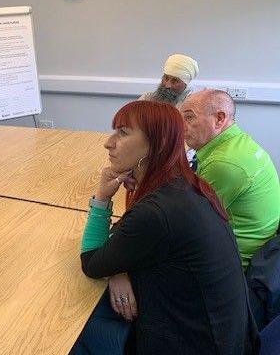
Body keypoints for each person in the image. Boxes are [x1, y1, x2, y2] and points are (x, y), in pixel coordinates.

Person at [72, 101, 257, 354]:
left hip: (194, 343)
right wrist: (118, 267)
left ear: (155, 144)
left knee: (79, 330)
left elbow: (91, 263)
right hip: (224, 336)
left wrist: (102, 200)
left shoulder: (157, 212)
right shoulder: (183, 185)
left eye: (123, 133)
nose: (109, 142)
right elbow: (127, 234)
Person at [180, 89, 280, 268]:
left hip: (234, 265)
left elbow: (184, 223)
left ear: (219, 118)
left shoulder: (223, 163)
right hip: (259, 251)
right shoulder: (239, 142)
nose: (182, 126)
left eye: (189, 118)